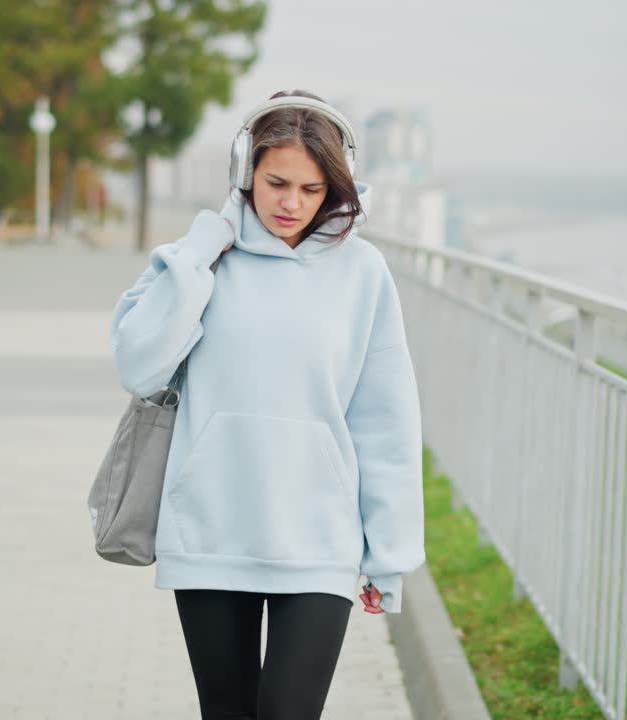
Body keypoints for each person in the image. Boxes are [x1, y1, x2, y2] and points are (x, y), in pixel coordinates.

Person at [108, 89, 425, 719]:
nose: (291, 204)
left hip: (318, 542)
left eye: (311, 190)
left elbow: (385, 417)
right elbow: (137, 364)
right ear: (243, 171)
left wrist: (387, 555)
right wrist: (200, 253)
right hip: (211, 532)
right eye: (277, 182)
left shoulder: (362, 272)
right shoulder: (200, 263)